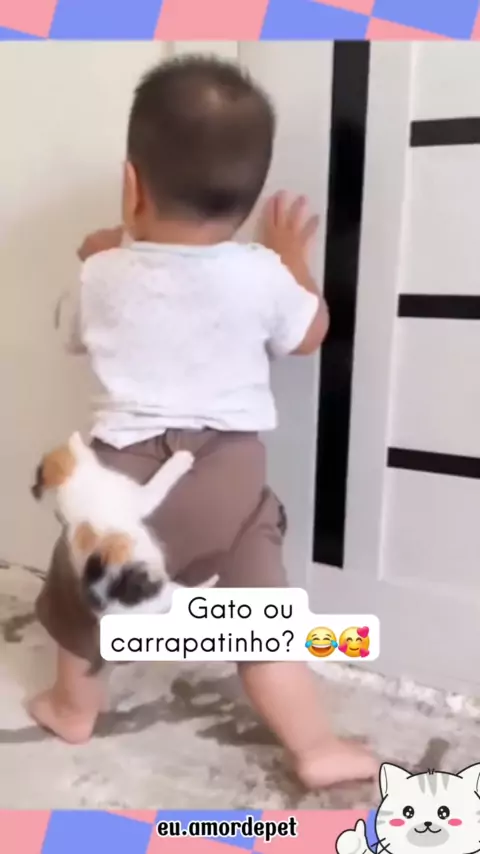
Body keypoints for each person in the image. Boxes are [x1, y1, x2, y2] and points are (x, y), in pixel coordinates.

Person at [29, 55, 377, 789]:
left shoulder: (103, 270)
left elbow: (69, 331)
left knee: (83, 592)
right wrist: (291, 258)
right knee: (260, 615)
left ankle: (71, 708)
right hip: (229, 477)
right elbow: (311, 332)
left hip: (124, 481)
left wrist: (96, 259)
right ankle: (314, 745)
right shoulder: (259, 273)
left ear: (131, 185)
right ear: (245, 202)